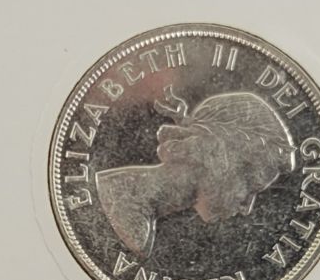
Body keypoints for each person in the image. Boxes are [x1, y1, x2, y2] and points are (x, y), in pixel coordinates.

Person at [96, 86, 297, 257]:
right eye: (250, 185)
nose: (247, 208)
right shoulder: (125, 214)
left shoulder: (133, 211)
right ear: (216, 154)